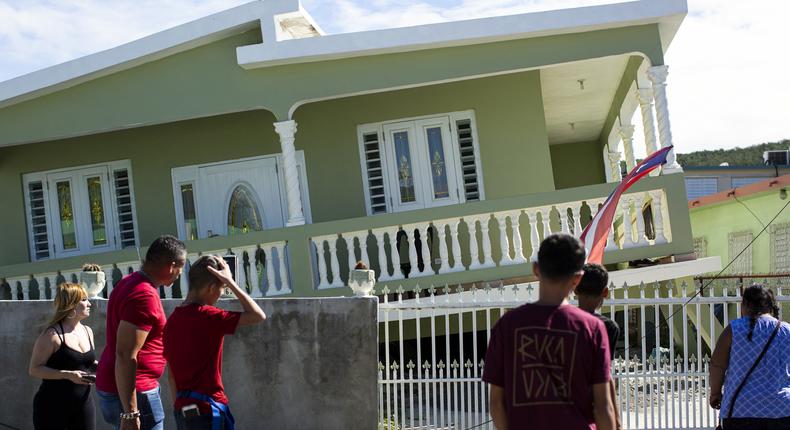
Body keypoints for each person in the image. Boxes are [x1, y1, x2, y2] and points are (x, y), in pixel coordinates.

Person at [483, 233, 615, 430]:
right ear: (577, 279)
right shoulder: (593, 328)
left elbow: (496, 403)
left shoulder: (507, 325)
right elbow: (604, 407)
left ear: (536, 270)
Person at [164, 255, 266, 429]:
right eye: (222, 289)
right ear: (211, 288)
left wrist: (179, 409)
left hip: (184, 411)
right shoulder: (210, 316)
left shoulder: (172, 320)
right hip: (211, 412)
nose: (220, 294)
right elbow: (258, 315)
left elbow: (171, 375)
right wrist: (231, 282)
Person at [96, 235, 187, 430]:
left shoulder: (129, 282)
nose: (179, 274)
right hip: (135, 393)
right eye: (180, 268)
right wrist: (130, 412)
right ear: (171, 266)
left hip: (120, 388)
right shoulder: (143, 295)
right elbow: (125, 354)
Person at [709, 284, 790, 430]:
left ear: (744, 304)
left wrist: (715, 393)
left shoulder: (734, 329)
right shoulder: (786, 330)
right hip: (782, 409)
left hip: (741, 410)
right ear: (770, 306)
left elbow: (717, 364)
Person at [29, 283, 97, 430]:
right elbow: (34, 369)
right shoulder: (52, 335)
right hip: (51, 406)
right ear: (71, 304)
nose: (89, 303)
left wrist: (103, 368)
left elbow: (88, 362)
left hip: (83, 403)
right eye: (84, 300)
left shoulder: (87, 331)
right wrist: (66, 374)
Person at [576, 263, 622, 430]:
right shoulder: (607, 328)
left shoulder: (556, 323)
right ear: (605, 292)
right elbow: (603, 378)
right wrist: (616, 422)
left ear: (575, 289)